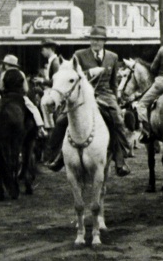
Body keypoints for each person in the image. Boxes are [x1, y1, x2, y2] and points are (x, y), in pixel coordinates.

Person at [46, 26, 131, 176]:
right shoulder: (79, 55)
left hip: (105, 94)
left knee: (117, 119)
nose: (95, 42)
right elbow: (71, 75)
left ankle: (121, 158)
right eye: (93, 39)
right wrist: (90, 72)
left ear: (104, 41)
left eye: (99, 40)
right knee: (61, 121)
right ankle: (57, 156)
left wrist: (115, 98)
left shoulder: (113, 57)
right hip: (83, 94)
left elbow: (113, 82)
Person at [0, 55, 48, 139]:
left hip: (7, 97)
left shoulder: (3, 73)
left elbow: (1, 88)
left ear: (7, 65)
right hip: (20, 96)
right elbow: (26, 89)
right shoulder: (21, 73)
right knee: (34, 109)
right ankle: (40, 128)